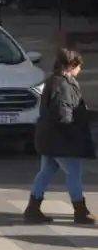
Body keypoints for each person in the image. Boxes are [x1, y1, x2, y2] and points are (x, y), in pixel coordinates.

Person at [23, 49, 96, 224]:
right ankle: (80, 211)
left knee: (46, 172)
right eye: (79, 66)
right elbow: (64, 114)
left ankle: (33, 208)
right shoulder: (63, 85)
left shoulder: (55, 81)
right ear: (72, 66)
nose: (80, 71)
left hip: (49, 137)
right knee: (73, 173)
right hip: (62, 139)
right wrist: (76, 136)